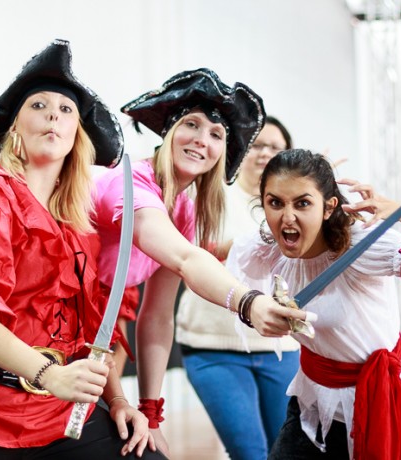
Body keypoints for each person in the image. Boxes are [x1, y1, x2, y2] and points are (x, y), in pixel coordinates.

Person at [0, 39, 164, 459]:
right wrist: (51, 374)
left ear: (76, 136)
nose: (53, 115)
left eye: (66, 110)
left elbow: (92, 333)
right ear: (14, 128)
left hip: (55, 413)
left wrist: (116, 400)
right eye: (38, 105)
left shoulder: (80, 229)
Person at [94, 69, 313, 457]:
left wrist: (151, 413)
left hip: (87, 337)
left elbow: (158, 314)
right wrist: (249, 303)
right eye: (191, 124)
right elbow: (186, 258)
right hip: (47, 332)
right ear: (168, 131)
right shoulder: (129, 183)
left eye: (216, 134)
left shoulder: (184, 208)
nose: (202, 139)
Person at [225, 149, 401, 460]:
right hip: (315, 399)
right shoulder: (269, 247)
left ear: (328, 207)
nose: (287, 217)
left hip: (387, 399)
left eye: (303, 203)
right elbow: (209, 257)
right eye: (275, 203)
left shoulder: (362, 245)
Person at [174, 116, 300, 459]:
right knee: (249, 452)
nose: (265, 153)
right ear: (240, 149)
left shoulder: (298, 207)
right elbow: (187, 253)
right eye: (257, 144)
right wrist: (242, 245)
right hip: (212, 345)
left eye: (275, 147)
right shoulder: (208, 193)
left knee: (287, 450)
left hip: (280, 347)